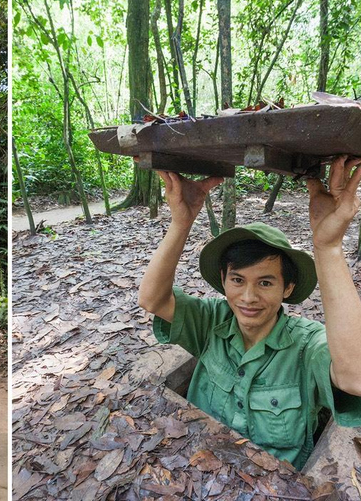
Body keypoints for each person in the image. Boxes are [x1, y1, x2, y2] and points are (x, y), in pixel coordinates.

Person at [138, 156, 361, 470]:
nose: (248, 297)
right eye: (237, 280)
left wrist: (328, 246)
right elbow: (152, 299)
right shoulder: (211, 322)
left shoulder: (306, 348)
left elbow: (355, 377)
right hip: (197, 470)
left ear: (287, 288)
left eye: (266, 282)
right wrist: (181, 222)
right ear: (224, 280)